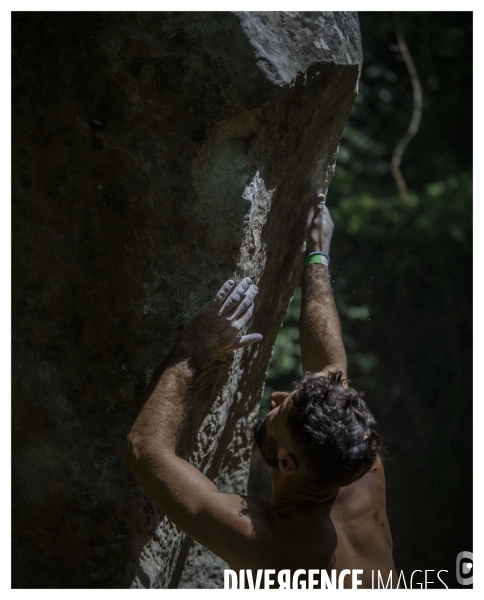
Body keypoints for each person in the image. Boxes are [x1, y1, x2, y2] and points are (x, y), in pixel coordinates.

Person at [124, 193, 397, 588]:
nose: (277, 398)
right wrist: (317, 255)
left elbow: (143, 452)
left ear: (286, 463)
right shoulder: (353, 459)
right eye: (293, 394)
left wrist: (193, 347)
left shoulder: (278, 549)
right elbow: (329, 369)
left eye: (281, 412)